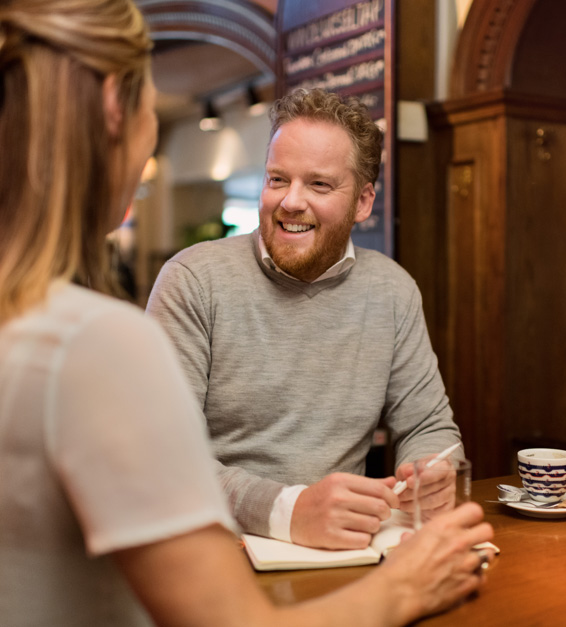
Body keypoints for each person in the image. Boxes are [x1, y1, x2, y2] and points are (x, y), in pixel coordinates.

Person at [0, 1, 493, 626]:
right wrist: (407, 587)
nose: (291, 202)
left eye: (320, 184)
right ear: (118, 109)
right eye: (151, 97)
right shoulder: (98, 345)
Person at [146, 88, 463, 550]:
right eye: (278, 179)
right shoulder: (192, 280)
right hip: (213, 553)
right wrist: (288, 511)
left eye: (318, 184)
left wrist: (431, 471)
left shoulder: (392, 290)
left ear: (362, 202)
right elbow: (163, 459)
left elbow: (427, 425)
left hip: (342, 553)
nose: (290, 202)